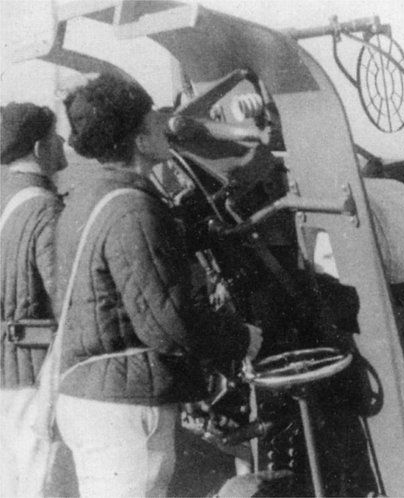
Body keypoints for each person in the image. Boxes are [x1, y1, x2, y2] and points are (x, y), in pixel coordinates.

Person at [54, 72, 261, 497]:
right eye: (153, 119)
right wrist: (240, 339)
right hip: (124, 408)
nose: (164, 125)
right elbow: (168, 323)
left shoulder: (89, 198)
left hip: (91, 394)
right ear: (139, 139)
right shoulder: (134, 210)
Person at [0, 102, 68, 497]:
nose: (63, 143)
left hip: (6, 374)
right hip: (34, 374)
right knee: (39, 484)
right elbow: (68, 299)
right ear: (40, 148)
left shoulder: (6, 200)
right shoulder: (44, 209)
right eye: (56, 137)